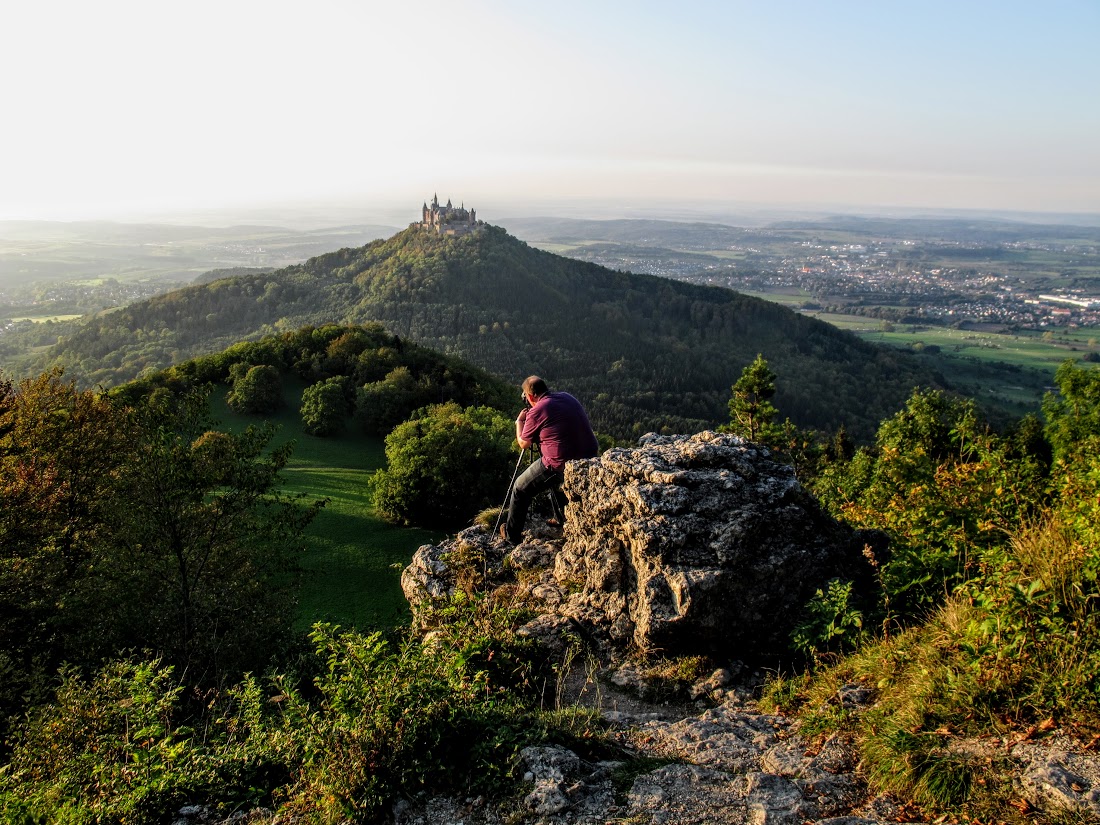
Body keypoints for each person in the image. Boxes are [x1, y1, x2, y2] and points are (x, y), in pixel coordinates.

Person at [501, 375, 599, 544]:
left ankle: (511, 536)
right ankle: (561, 519)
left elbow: (524, 443)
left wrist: (519, 422)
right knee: (551, 481)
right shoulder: (567, 397)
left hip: (561, 463)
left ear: (530, 396)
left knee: (520, 487)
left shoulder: (537, 410)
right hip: (590, 456)